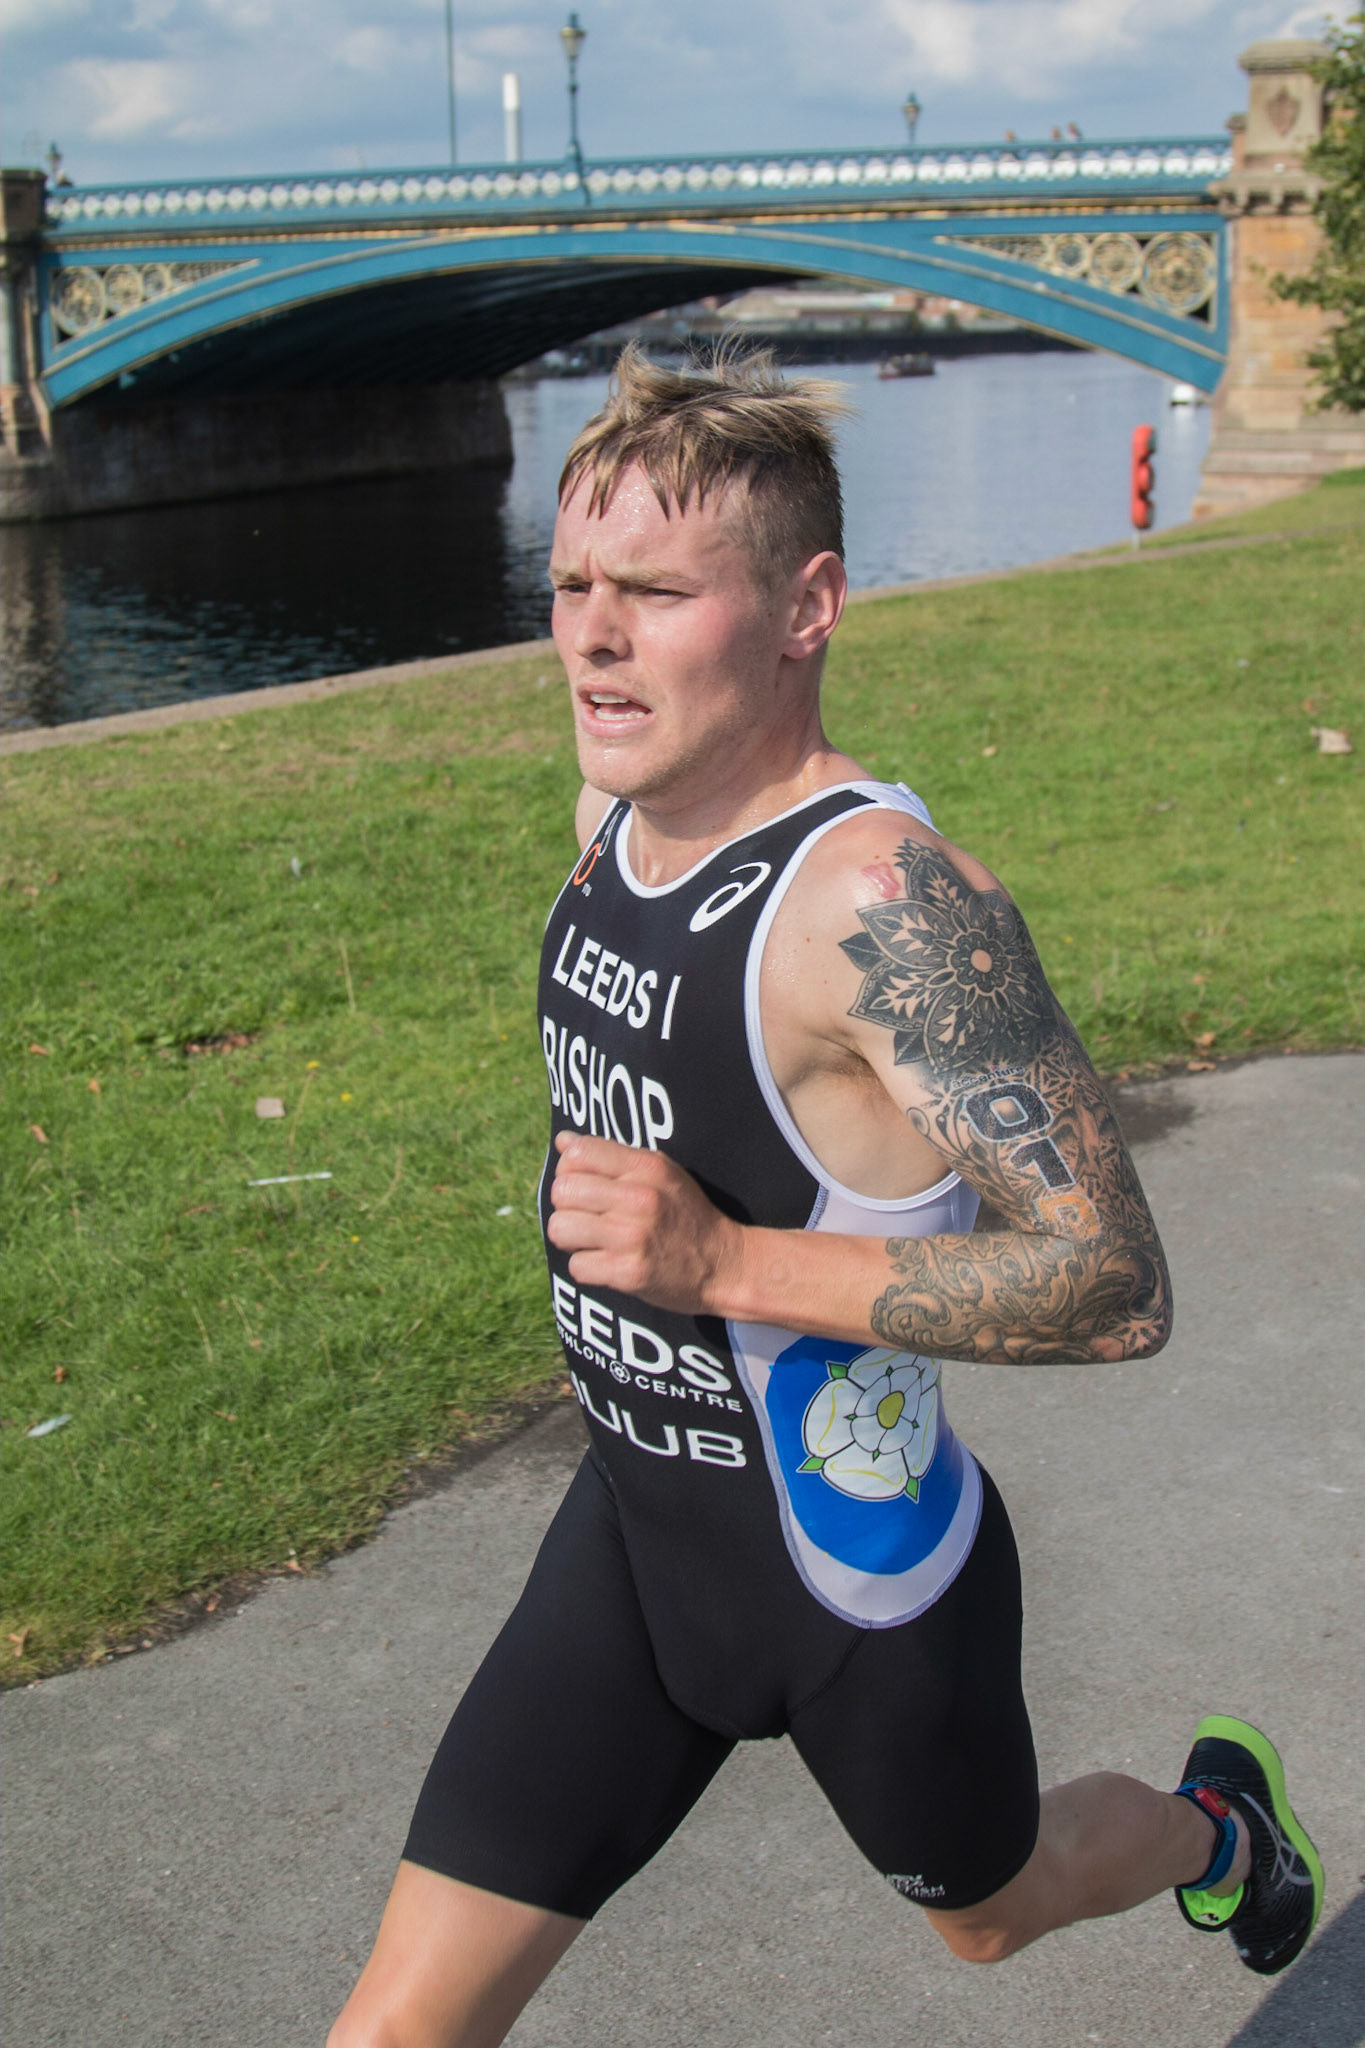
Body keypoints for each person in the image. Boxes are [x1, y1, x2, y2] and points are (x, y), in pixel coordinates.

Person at [330, 345, 1322, 2048]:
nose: (591, 635)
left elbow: (1112, 1282)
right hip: (635, 1539)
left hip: (856, 1585)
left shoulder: (884, 903)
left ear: (807, 607)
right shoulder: (617, 815)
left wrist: (720, 1260)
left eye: (655, 592)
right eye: (571, 585)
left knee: (989, 1919)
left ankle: (1216, 1828)